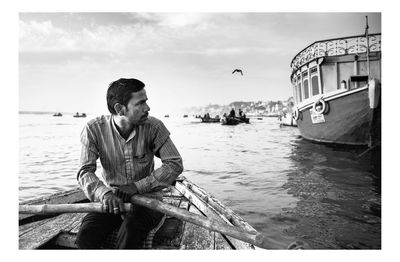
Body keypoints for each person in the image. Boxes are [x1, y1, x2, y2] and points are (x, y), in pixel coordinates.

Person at [75, 78, 183, 249]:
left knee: (130, 232)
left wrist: (136, 187)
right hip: (112, 200)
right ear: (120, 108)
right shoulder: (93, 129)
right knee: (86, 236)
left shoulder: (154, 127)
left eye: (146, 101)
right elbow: (85, 172)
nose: (148, 108)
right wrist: (105, 194)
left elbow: (174, 164)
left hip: (147, 201)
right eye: (141, 103)